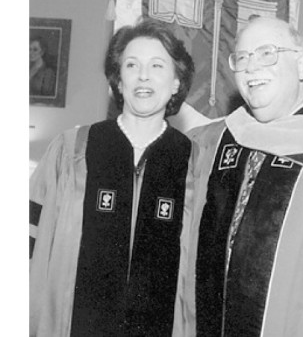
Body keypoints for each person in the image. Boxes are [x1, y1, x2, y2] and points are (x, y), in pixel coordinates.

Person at [174, 16, 303, 337]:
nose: (251, 67)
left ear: (300, 65)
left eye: (266, 53)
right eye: (241, 58)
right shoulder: (215, 142)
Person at [30, 18, 195, 336]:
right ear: (119, 80)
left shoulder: (193, 162)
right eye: (132, 65)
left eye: (157, 65)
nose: (143, 75)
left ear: (176, 82)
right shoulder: (72, 150)